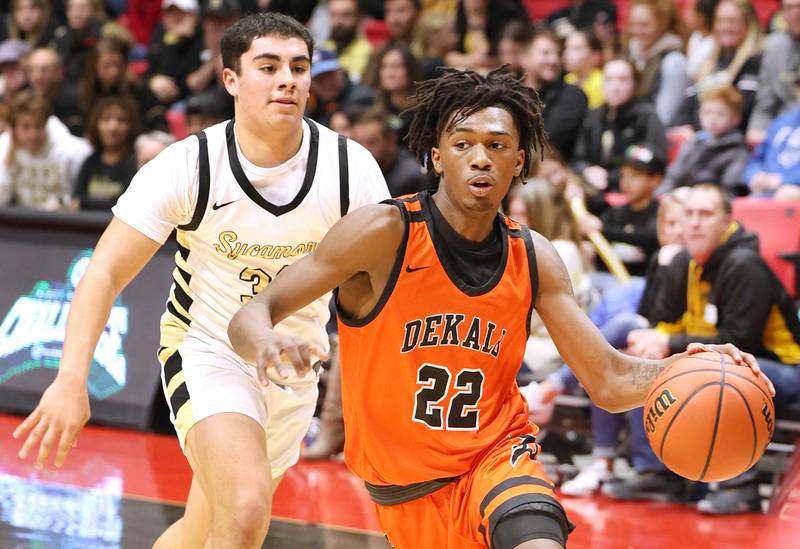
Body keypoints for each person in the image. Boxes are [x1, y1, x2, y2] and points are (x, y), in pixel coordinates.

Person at [227, 67, 770, 549]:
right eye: (462, 143)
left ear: (519, 161)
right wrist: (267, 343)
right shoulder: (383, 233)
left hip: (498, 460)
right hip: (405, 489)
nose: (480, 157)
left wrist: (693, 367)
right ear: (437, 157)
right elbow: (254, 310)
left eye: (496, 144)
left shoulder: (534, 257)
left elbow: (606, 379)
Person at [12, 13, 390, 549]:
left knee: (206, 527)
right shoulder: (189, 165)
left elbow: (380, 288)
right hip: (208, 349)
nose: (288, 79)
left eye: (298, 67)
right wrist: (72, 376)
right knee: (244, 509)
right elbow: (105, 271)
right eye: (269, 66)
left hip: (295, 366)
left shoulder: (351, 170)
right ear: (231, 79)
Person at [617, 184, 799, 512]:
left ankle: (740, 485)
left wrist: (670, 343)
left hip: (782, 368)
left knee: (723, 375)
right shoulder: (684, 261)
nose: (696, 223)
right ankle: (659, 472)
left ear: (726, 221)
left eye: (706, 214)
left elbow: (741, 343)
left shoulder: (744, 264)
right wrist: (653, 340)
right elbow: (667, 321)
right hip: (720, 356)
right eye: (690, 214)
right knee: (648, 360)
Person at [571, 57, 668, 193]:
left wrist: (611, 177)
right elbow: (577, 157)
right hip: (594, 187)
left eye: (623, 80)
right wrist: (586, 170)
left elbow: (654, 160)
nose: (615, 87)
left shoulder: (646, 115)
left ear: (634, 84)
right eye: (609, 80)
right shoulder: (594, 116)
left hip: (630, 190)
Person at [0, 90, 92, 210]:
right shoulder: (5, 146)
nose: (33, 135)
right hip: (22, 220)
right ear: (13, 128)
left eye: (38, 126)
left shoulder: (69, 150)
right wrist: (7, 164)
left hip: (62, 220)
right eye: (26, 127)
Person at [659, 85, 750, 196]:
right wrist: (661, 198)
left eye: (720, 114)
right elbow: (673, 176)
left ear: (735, 118)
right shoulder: (693, 143)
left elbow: (732, 188)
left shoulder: (738, 150)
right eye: (707, 113)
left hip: (712, 202)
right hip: (683, 198)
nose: (712, 119)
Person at [521, 28, 588, 161]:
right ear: (525, 58)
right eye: (545, 53)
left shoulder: (572, 96)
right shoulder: (509, 94)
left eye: (557, 53)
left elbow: (550, 141)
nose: (554, 60)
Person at [70, 95, 139, 211]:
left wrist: (87, 203)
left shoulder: (135, 163)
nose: (113, 127)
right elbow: (76, 202)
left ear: (130, 126)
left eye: (121, 120)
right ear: (96, 125)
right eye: (106, 119)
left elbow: (129, 207)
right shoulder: (90, 162)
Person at [746, 0, 800, 146]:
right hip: (782, 132)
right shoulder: (775, 46)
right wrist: (756, 129)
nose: (796, 13)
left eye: (799, 6)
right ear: (782, 13)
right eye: (789, 8)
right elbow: (766, 101)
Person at [625, 0, 688, 126]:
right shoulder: (632, 54)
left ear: (663, 24)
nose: (637, 31)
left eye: (644, 25)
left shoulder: (674, 62)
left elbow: (663, 118)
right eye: (633, 24)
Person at [350, 107, 430, 197]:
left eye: (371, 142)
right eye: (358, 143)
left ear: (391, 140)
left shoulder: (409, 178)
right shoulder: (355, 171)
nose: (364, 150)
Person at [562, 28, 604, 109]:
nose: (566, 54)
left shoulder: (602, 82)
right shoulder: (568, 79)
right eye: (566, 48)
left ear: (594, 56)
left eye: (576, 49)